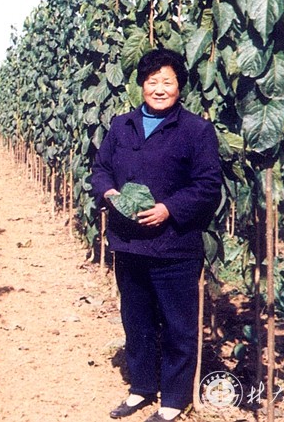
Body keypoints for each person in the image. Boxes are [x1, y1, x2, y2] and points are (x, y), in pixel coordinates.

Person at [90, 48, 222, 421]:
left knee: (178, 324)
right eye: (152, 81)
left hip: (173, 246)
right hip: (130, 244)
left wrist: (169, 208)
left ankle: (174, 399)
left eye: (167, 81)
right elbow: (100, 170)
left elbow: (208, 185)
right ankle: (142, 388)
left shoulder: (196, 130)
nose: (159, 89)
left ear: (180, 86)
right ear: (141, 85)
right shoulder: (122, 126)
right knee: (137, 321)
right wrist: (109, 192)